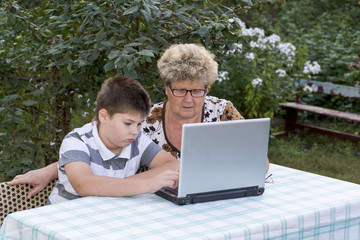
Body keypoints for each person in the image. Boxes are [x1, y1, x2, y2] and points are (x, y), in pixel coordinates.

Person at [8, 43, 268, 198]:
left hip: (213, 195)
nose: (189, 99)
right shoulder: (145, 120)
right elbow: (97, 143)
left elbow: (253, 157)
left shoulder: (222, 111)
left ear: (207, 88)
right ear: (166, 87)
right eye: (180, 90)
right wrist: (54, 169)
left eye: (198, 90)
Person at [45, 76, 179, 204]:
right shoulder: (77, 141)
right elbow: (84, 185)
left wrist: (126, 183)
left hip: (107, 216)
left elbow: (173, 165)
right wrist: (147, 184)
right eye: (127, 123)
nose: (135, 131)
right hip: (64, 218)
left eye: (139, 124)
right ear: (104, 116)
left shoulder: (137, 141)